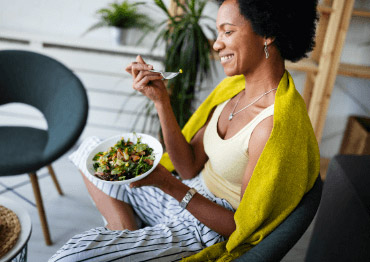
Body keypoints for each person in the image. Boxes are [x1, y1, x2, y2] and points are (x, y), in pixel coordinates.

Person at [50, 0, 319, 261]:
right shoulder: (233, 91)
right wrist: (161, 101)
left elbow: (241, 229)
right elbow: (189, 166)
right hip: (187, 190)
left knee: (75, 254)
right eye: (218, 32)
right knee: (90, 149)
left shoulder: (271, 126)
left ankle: (127, 245)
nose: (216, 43)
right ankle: (126, 233)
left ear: (267, 33)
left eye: (228, 31)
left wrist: (168, 184)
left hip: (207, 227)